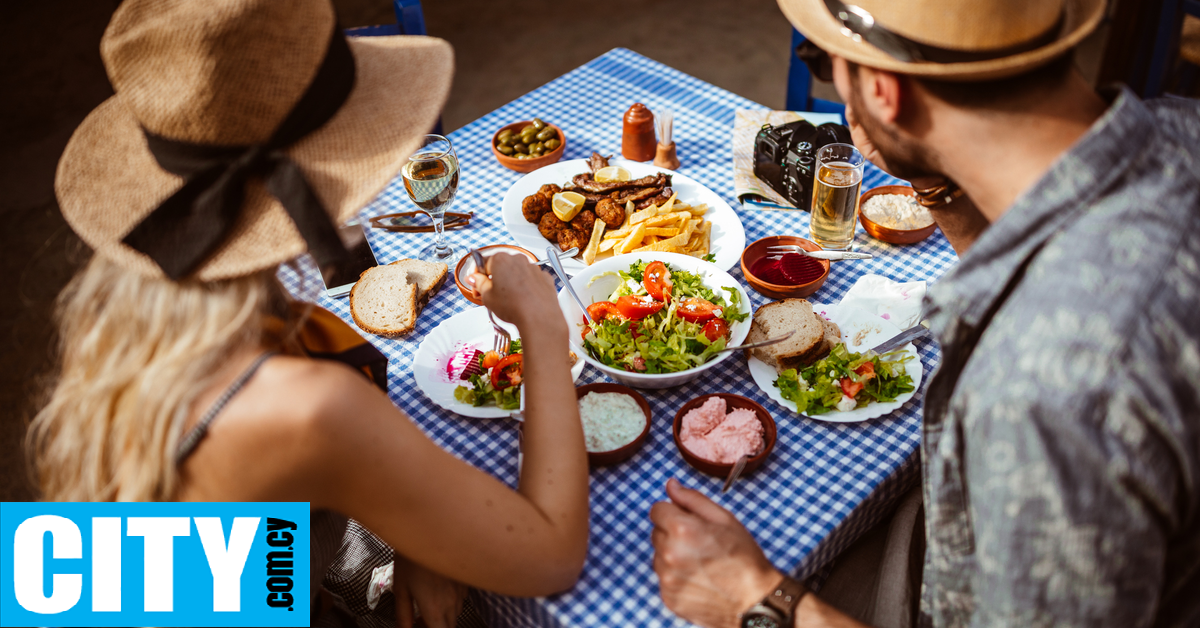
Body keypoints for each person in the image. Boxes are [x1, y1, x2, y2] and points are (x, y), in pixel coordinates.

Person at [29, 1, 590, 627]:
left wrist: (420, 532)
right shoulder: (309, 406)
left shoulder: (123, 316)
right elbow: (552, 556)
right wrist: (542, 318)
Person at [650, 0, 1200, 626]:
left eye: (823, 60)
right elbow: (1014, 247)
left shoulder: (1045, 385)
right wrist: (929, 169)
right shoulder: (1182, 124)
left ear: (884, 90)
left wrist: (756, 600)